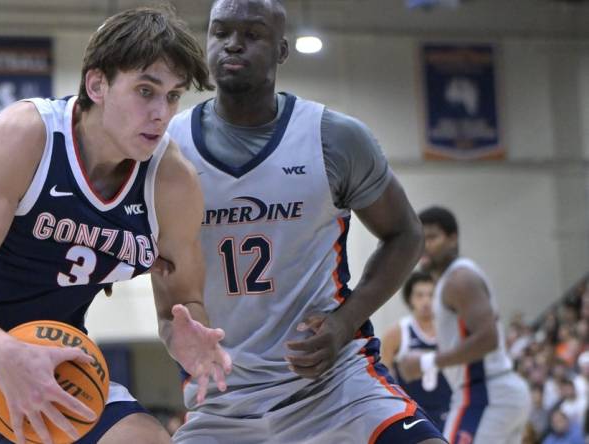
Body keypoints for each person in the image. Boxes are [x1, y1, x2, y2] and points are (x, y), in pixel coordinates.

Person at [0, 7, 231, 444]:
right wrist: (4, 355)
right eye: (146, 90)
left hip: (51, 349)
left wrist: (186, 334)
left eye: (173, 96)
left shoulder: (173, 182)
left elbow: (181, 306)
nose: (161, 113)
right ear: (97, 84)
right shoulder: (28, 134)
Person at [166, 1, 445, 442]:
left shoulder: (333, 136)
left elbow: (405, 234)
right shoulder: (168, 146)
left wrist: (344, 321)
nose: (233, 44)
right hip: (222, 399)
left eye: (252, 34)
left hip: (335, 386)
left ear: (282, 50)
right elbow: (163, 283)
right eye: (220, 32)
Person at [398, 206, 531, 444]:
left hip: (484, 393)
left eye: (432, 237)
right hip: (493, 391)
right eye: (421, 238)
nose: (425, 246)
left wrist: (427, 362)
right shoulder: (451, 280)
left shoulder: (459, 280)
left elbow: (487, 338)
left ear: (452, 239)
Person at [381, 271, 452, 431]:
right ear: (410, 299)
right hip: (413, 416)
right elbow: (384, 379)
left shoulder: (449, 331)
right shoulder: (397, 332)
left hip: (448, 412)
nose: (426, 301)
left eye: (431, 295)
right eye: (420, 295)